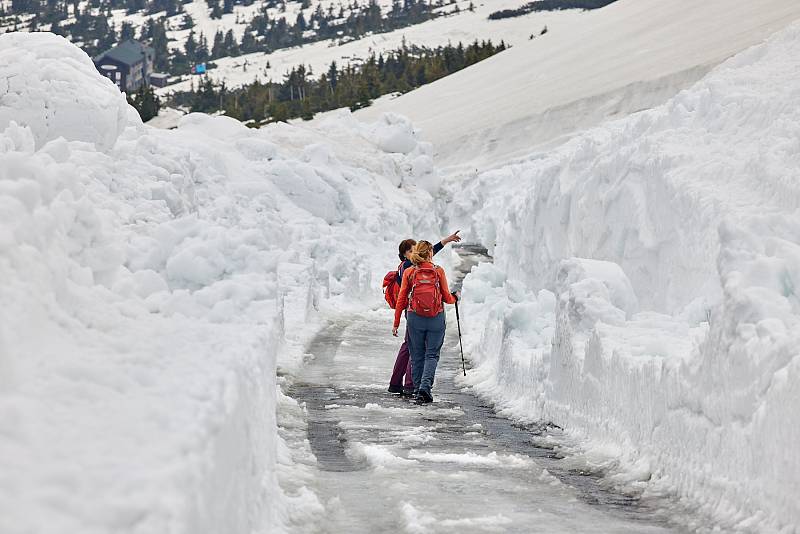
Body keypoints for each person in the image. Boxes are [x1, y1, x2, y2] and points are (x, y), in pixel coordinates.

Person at [388, 232, 460, 395]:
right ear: (406, 253)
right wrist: (455, 298)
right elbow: (446, 296)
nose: (415, 252)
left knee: (413, 349)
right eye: (412, 249)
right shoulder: (419, 268)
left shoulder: (407, 269)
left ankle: (403, 383)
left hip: (414, 313)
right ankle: (413, 385)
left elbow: (401, 298)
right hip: (432, 315)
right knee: (423, 352)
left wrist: (445, 241)